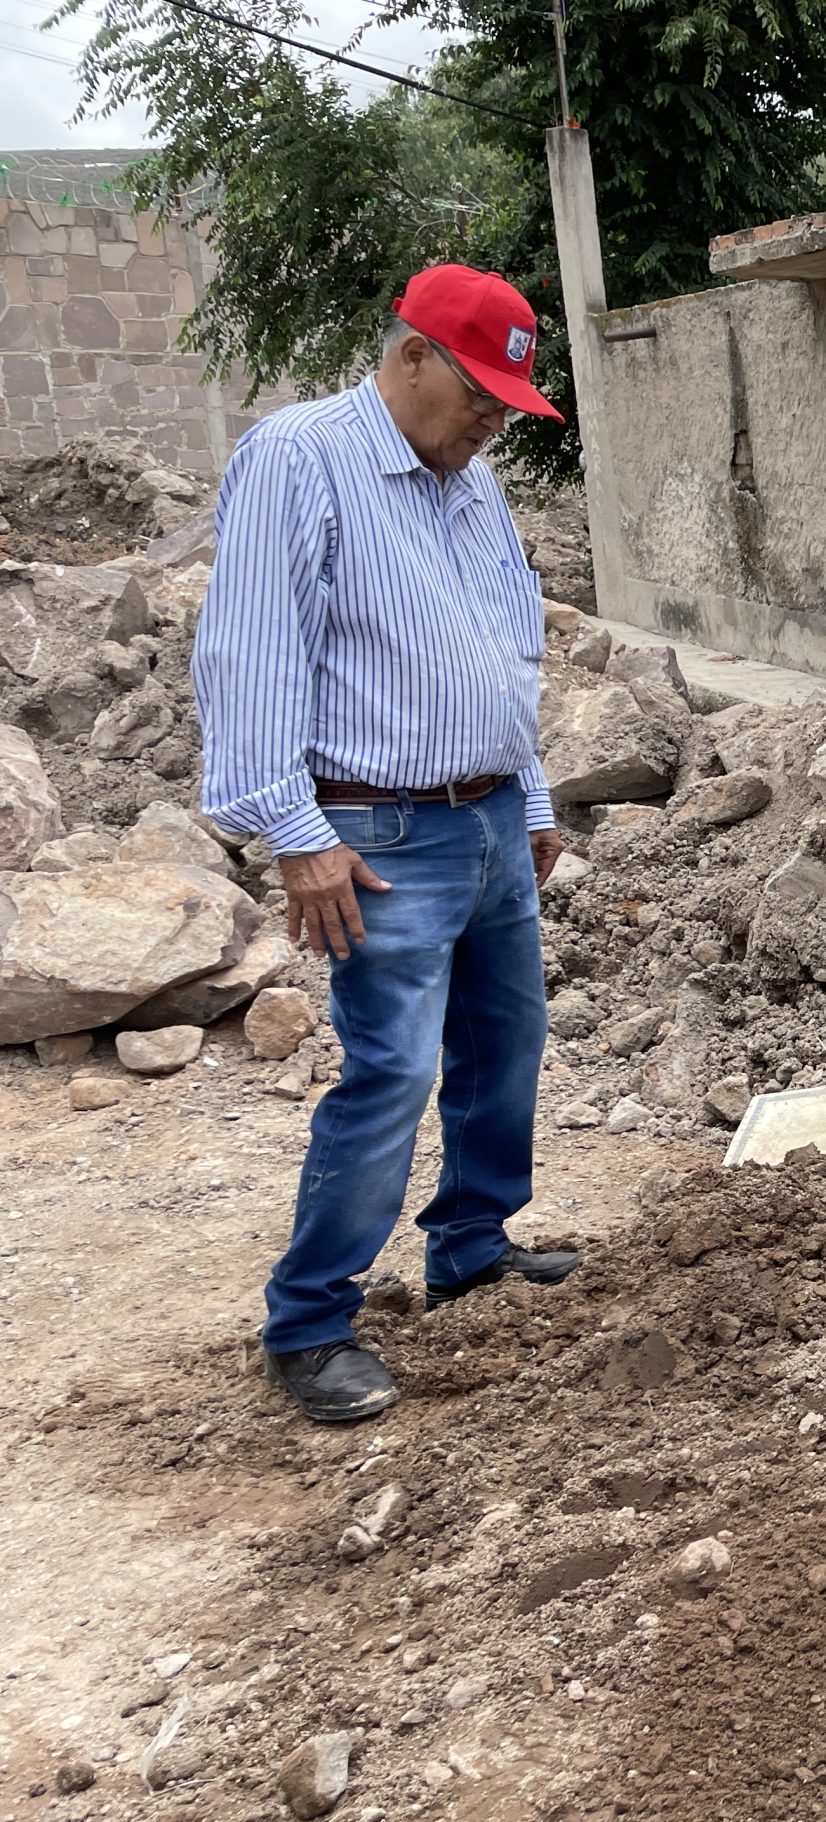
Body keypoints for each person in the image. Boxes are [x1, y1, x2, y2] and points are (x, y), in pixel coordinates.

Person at [195, 263, 583, 1424]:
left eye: (505, 408)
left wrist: (529, 792)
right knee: (394, 1071)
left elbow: (505, 645)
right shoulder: (299, 459)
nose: (489, 423)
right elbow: (250, 654)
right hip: (376, 834)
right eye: (479, 398)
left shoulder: (468, 481)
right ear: (413, 356)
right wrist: (293, 832)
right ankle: (311, 1323)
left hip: (484, 816)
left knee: (505, 1042)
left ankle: (470, 1242)